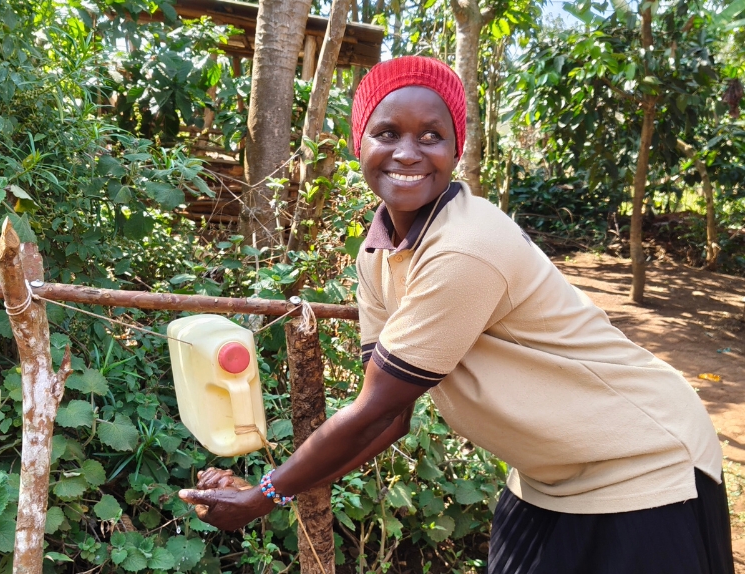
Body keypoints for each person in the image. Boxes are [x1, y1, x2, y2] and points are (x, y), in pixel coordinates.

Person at [179, 56, 734, 573]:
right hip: (550, 478)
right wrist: (269, 492)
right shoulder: (376, 255)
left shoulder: (466, 245)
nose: (407, 153)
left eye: (431, 136)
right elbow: (391, 418)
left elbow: (375, 410)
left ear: (455, 150)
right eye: (387, 132)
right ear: (358, 142)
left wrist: (262, 496)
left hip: (643, 465)